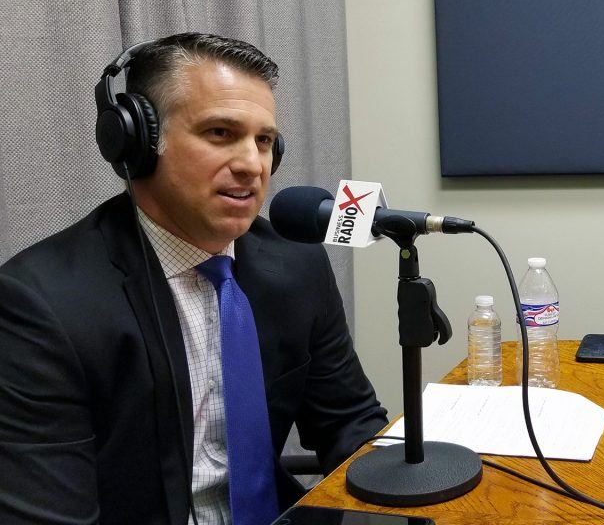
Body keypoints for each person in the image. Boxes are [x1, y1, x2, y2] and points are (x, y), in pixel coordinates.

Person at [0, 33, 388, 524]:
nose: (252, 164)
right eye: (220, 133)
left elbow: (349, 423)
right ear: (136, 140)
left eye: (264, 140)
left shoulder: (296, 265)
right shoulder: (41, 304)